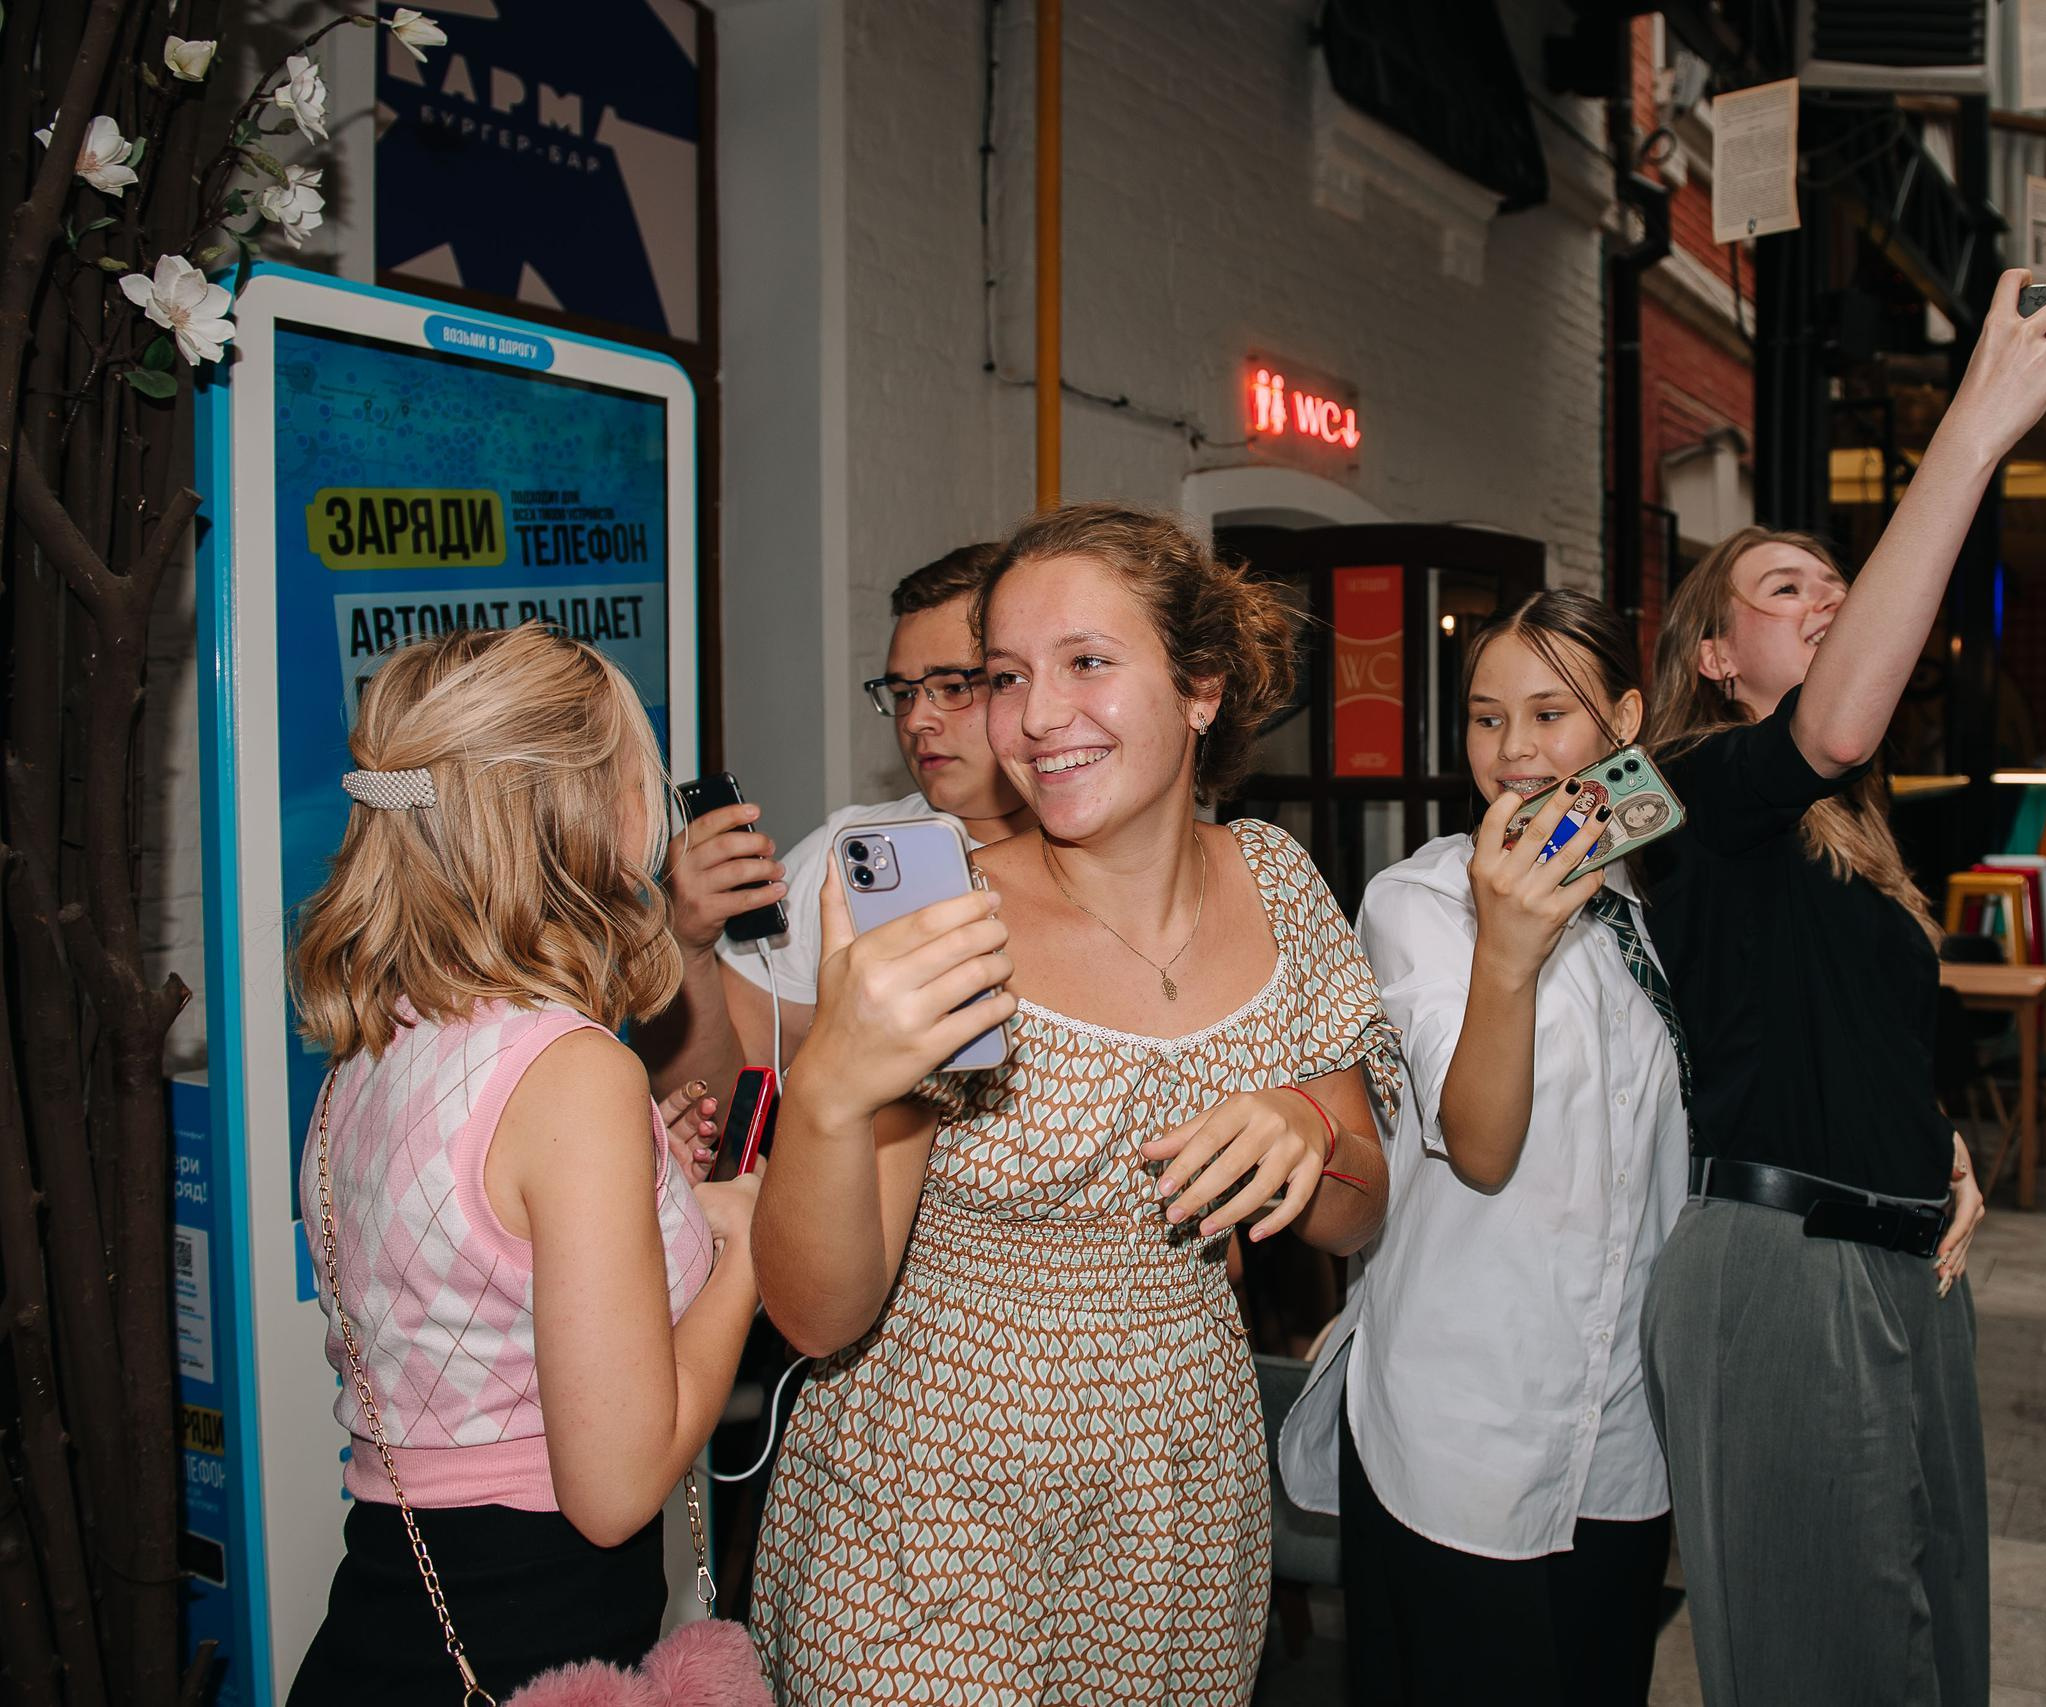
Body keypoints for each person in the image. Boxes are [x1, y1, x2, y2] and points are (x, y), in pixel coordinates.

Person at [747, 503, 1401, 1703]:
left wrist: (1308, 1130)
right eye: (1005, 676)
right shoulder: (941, 922)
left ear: (1201, 688)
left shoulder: (1274, 880)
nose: (1037, 717)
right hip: (929, 1503)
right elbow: (821, 1314)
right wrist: (831, 1091)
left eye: (1088, 663)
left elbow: (1357, 1214)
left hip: (1177, 1501)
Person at [1637, 267, 2046, 1704]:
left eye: (1847, 587)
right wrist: (1972, 431)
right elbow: (1829, 727)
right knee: (1822, 1665)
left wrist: (1938, 1150)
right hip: (1782, 1272)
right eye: (1792, 591)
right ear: (1718, 659)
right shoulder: (1690, 783)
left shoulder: (1850, 830)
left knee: (1924, 1644)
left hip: (1905, 1261)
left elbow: (1829, 1031)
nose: (1834, 602)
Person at [282, 625, 764, 1704]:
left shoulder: (380, 1041)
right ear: (581, 808)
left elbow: (475, 1281)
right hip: (533, 1643)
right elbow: (616, 1488)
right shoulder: (571, 1071)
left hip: (389, 1613)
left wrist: (657, 1201)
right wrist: (745, 1251)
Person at [1277, 591, 1685, 1705]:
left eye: (1551, 714)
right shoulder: (1417, 906)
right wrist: (1508, 947)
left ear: (1625, 722)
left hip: (1618, 1430)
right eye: (1485, 717)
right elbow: (1481, 1147)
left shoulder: (1652, 906)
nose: (1512, 751)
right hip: (1460, 1424)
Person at [644, 542, 1040, 1097]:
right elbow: (718, 1104)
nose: (917, 719)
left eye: (952, 687)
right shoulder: (847, 858)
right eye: (902, 693)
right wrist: (685, 947)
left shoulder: (1119, 857)